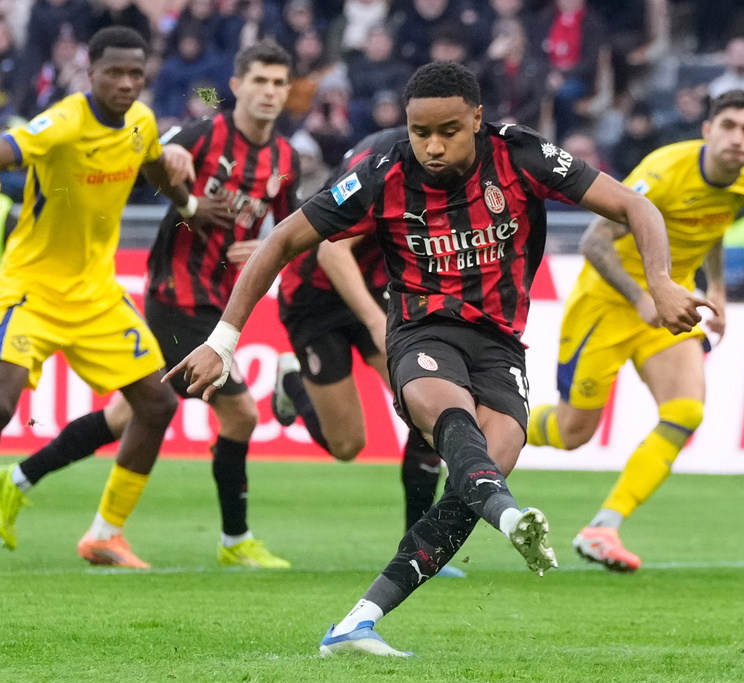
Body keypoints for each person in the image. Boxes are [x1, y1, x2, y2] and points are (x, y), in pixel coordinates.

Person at [166, 61, 710, 656]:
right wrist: (223, 341)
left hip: (500, 343)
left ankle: (357, 621)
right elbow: (283, 240)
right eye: (419, 130)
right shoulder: (381, 174)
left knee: (486, 464)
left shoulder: (521, 155)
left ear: (477, 119)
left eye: (448, 130)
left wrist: (659, 280)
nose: (431, 145)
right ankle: (509, 518)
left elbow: (637, 206)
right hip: (422, 334)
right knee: (447, 418)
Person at [1, 39, 301, 569]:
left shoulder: (282, 158)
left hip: (141, 298)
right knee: (239, 415)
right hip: (159, 297)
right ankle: (234, 540)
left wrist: (251, 237)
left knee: (137, 410)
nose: (270, 93)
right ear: (236, 86)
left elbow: (286, 226)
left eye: (280, 83)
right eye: (260, 81)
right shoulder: (198, 128)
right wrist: (175, 158)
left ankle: (33, 488)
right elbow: (151, 155)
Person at [527, 89, 744, 573]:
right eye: (729, 126)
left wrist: (716, 287)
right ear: (707, 130)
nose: (737, 138)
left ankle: (603, 528)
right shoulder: (662, 174)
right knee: (573, 433)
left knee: (685, 410)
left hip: (669, 306)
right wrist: (640, 297)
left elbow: (715, 225)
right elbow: (595, 242)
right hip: (609, 305)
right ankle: (492, 427)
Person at [0, 27, 195, 567]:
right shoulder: (63, 122)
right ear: (91, 73)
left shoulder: (142, 120)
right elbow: (9, 149)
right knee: (1, 404)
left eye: (136, 74)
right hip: (30, 289)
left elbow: (153, 161)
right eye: (115, 73)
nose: (127, 84)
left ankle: (105, 535)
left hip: (95, 295)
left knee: (156, 403)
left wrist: (191, 207)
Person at [272, 125, 465, 577]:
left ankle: (419, 545)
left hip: (379, 289)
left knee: (427, 408)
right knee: (347, 444)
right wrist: (378, 322)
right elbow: (331, 254)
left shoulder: (448, 161)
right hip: (313, 298)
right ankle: (291, 383)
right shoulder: (382, 162)